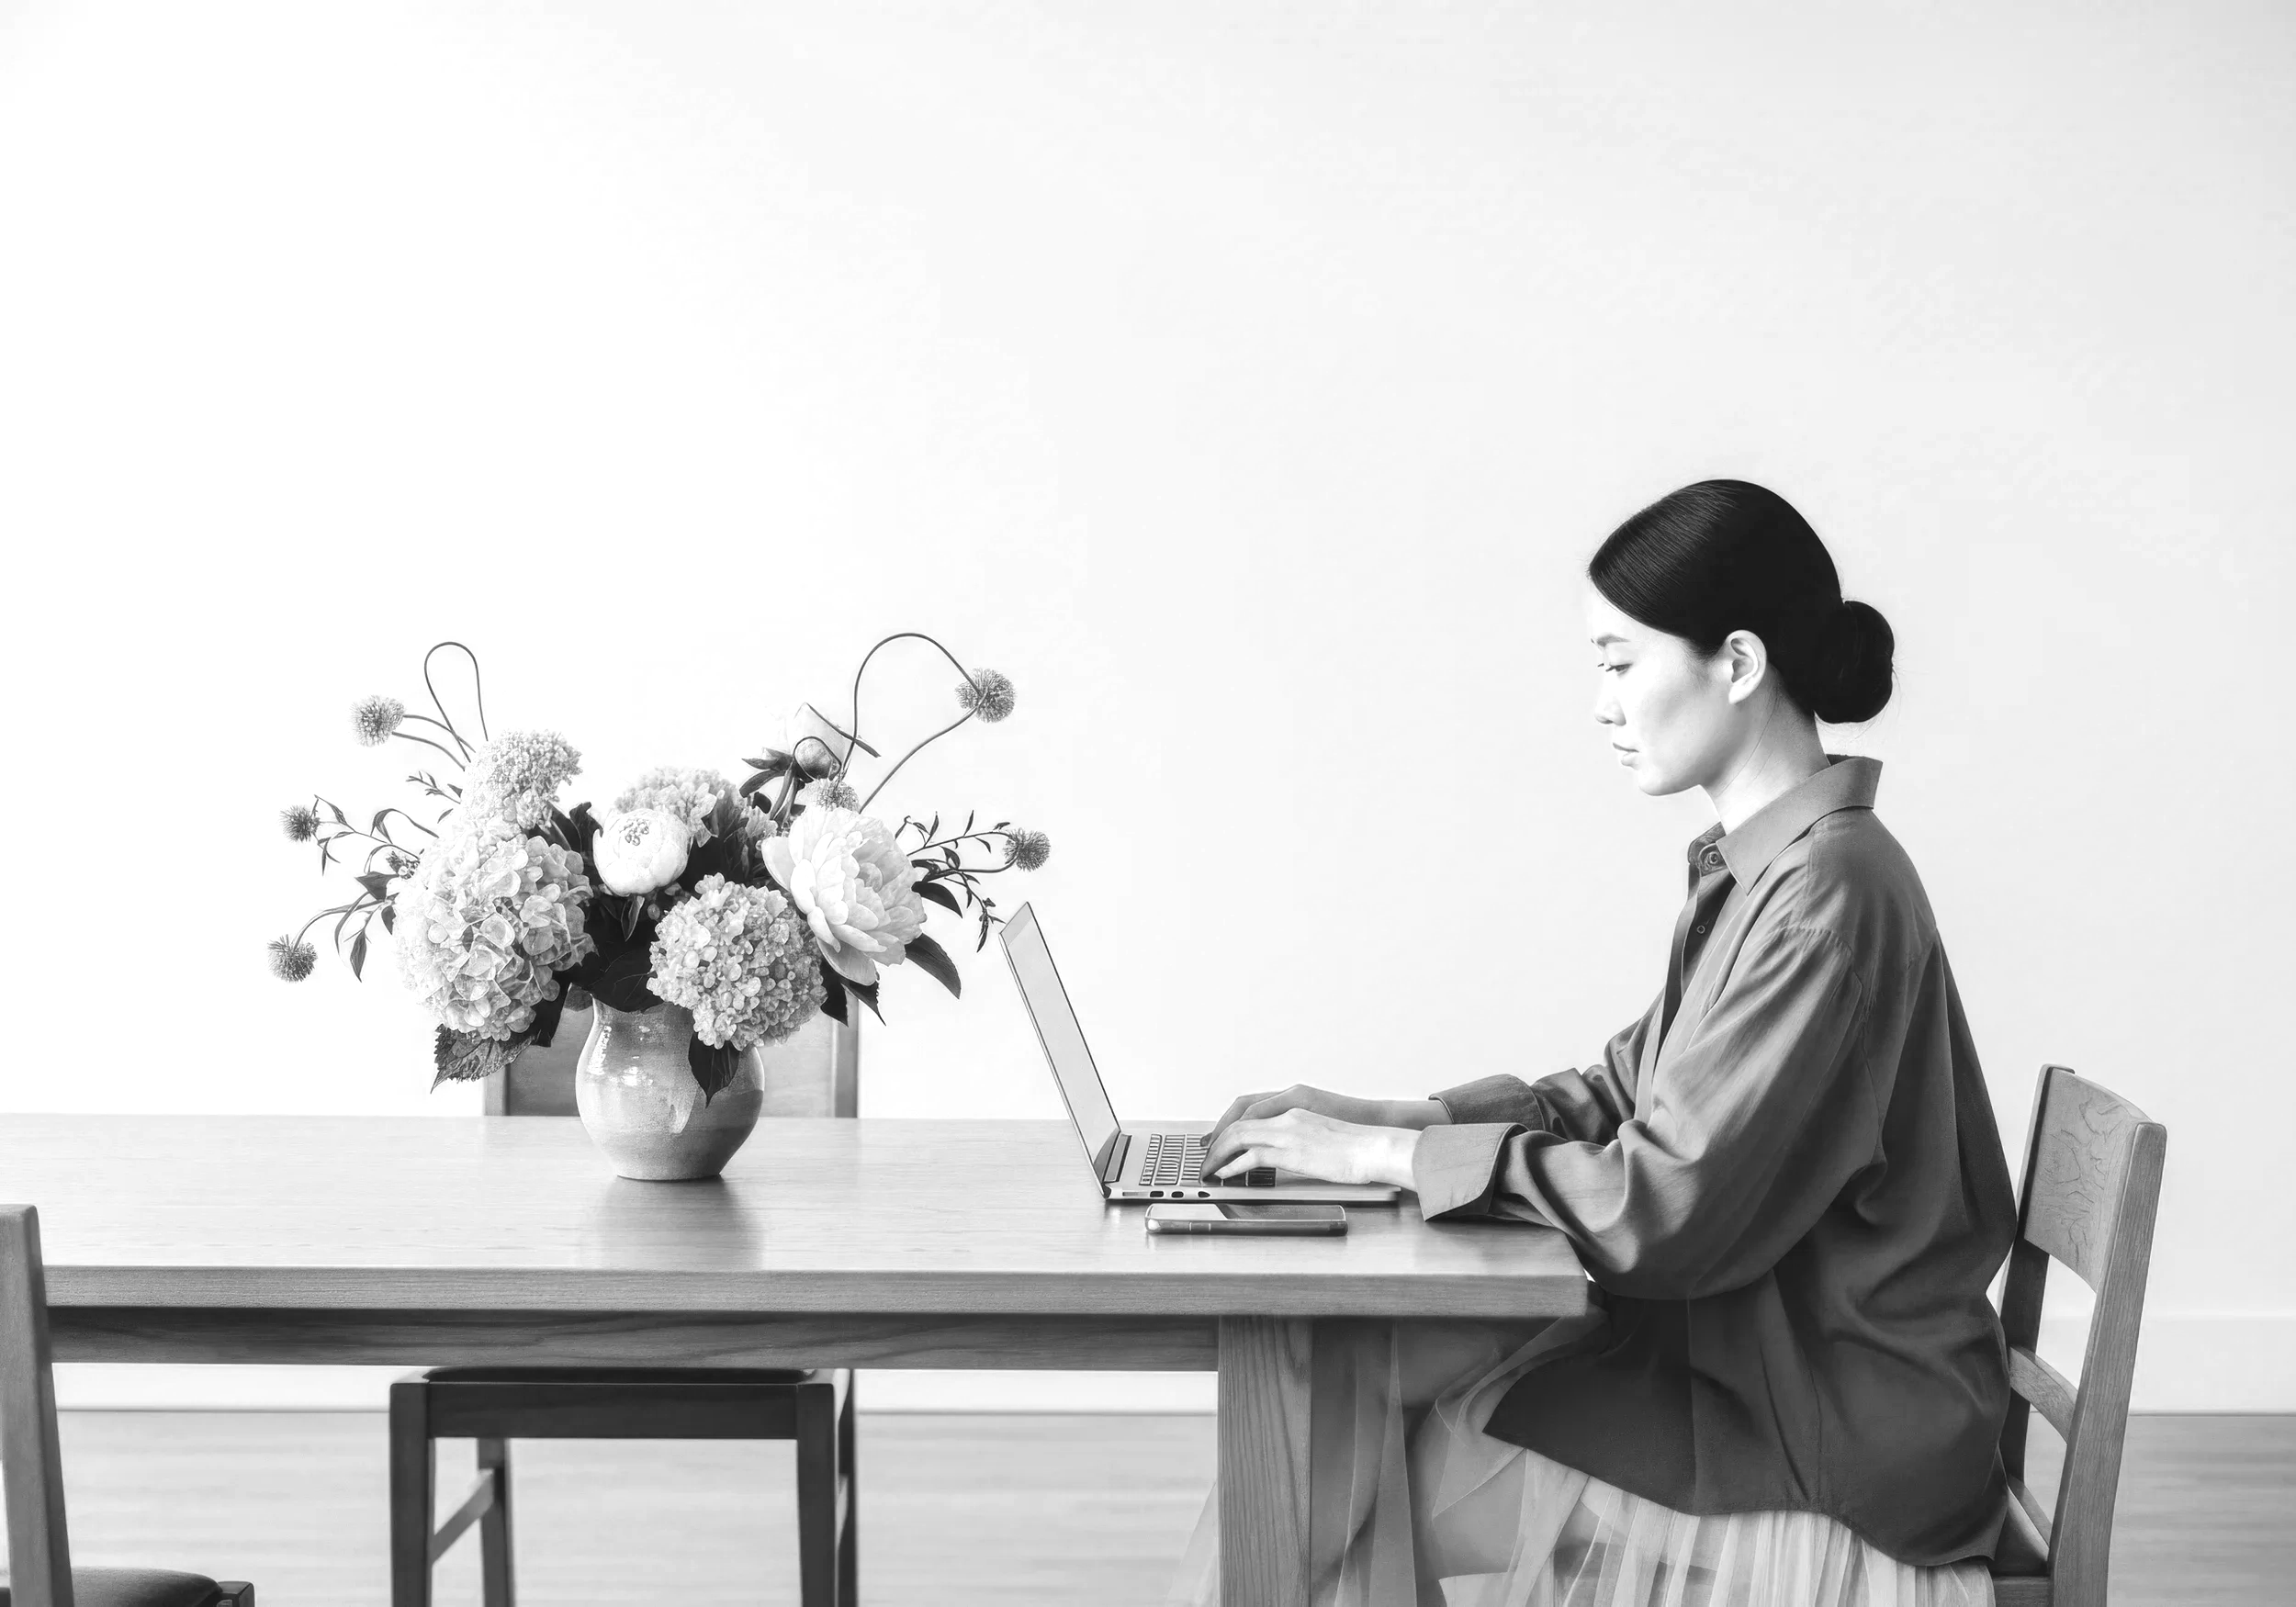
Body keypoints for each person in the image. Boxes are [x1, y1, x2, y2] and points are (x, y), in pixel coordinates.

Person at [1169, 481, 2016, 1607]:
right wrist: (1387, 1120)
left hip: (1826, 1427)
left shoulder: (1823, 897)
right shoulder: (1771, 869)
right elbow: (1621, 1091)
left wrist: (1381, 1161)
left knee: (1320, 1455)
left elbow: (1658, 1208)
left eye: (1620, 663)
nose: (1601, 705)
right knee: (1331, 1402)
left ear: (1738, 663)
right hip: (1761, 1373)